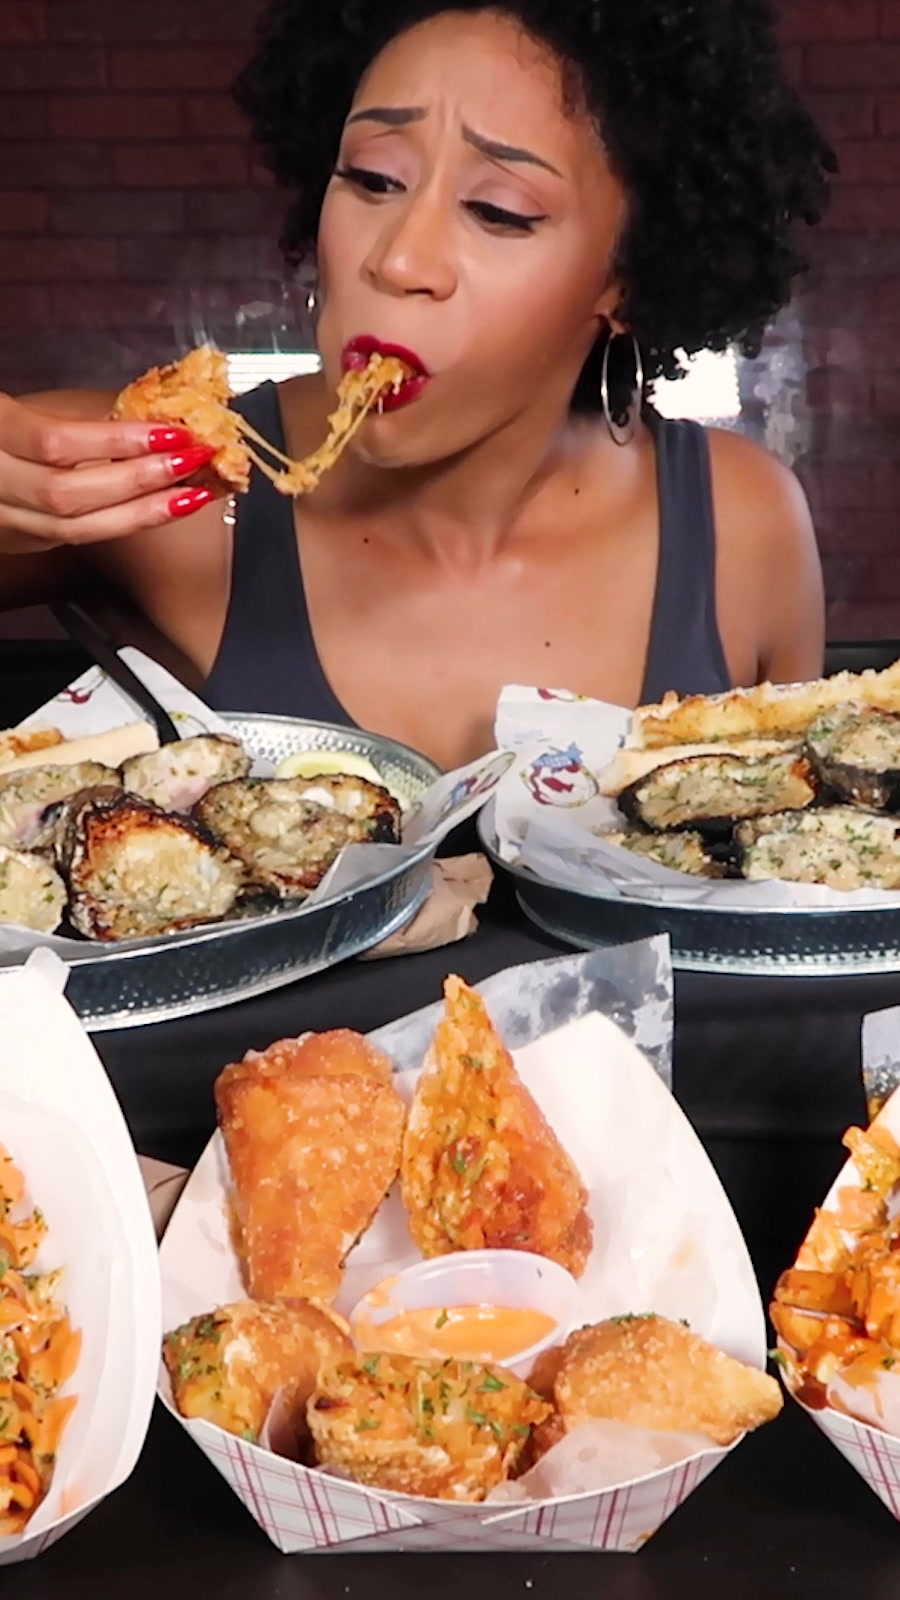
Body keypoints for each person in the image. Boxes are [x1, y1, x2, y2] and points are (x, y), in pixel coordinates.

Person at [0, 1, 834, 769]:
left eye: (499, 211)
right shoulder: (159, 488)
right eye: (372, 179)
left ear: (627, 277)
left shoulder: (744, 529)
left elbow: (807, 857)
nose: (399, 260)